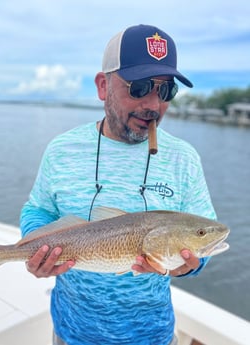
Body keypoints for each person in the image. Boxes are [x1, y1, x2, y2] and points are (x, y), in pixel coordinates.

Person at [20, 24, 216, 345]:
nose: (154, 104)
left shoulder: (184, 158)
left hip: (152, 336)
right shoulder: (61, 149)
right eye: (139, 87)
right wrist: (36, 246)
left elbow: (201, 240)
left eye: (166, 91)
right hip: (72, 332)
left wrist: (188, 266)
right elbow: (38, 208)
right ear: (103, 86)